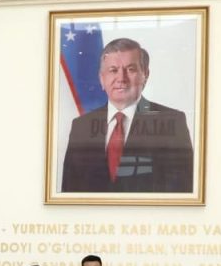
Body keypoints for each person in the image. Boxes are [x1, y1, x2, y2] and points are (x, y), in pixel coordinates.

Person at [61, 38, 194, 194]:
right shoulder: (81, 127)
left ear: (145, 75)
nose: (121, 78)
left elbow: (184, 192)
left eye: (130, 69)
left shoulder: (173, 122)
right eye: (113, 70)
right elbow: (69, 192)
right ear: (102, 78)